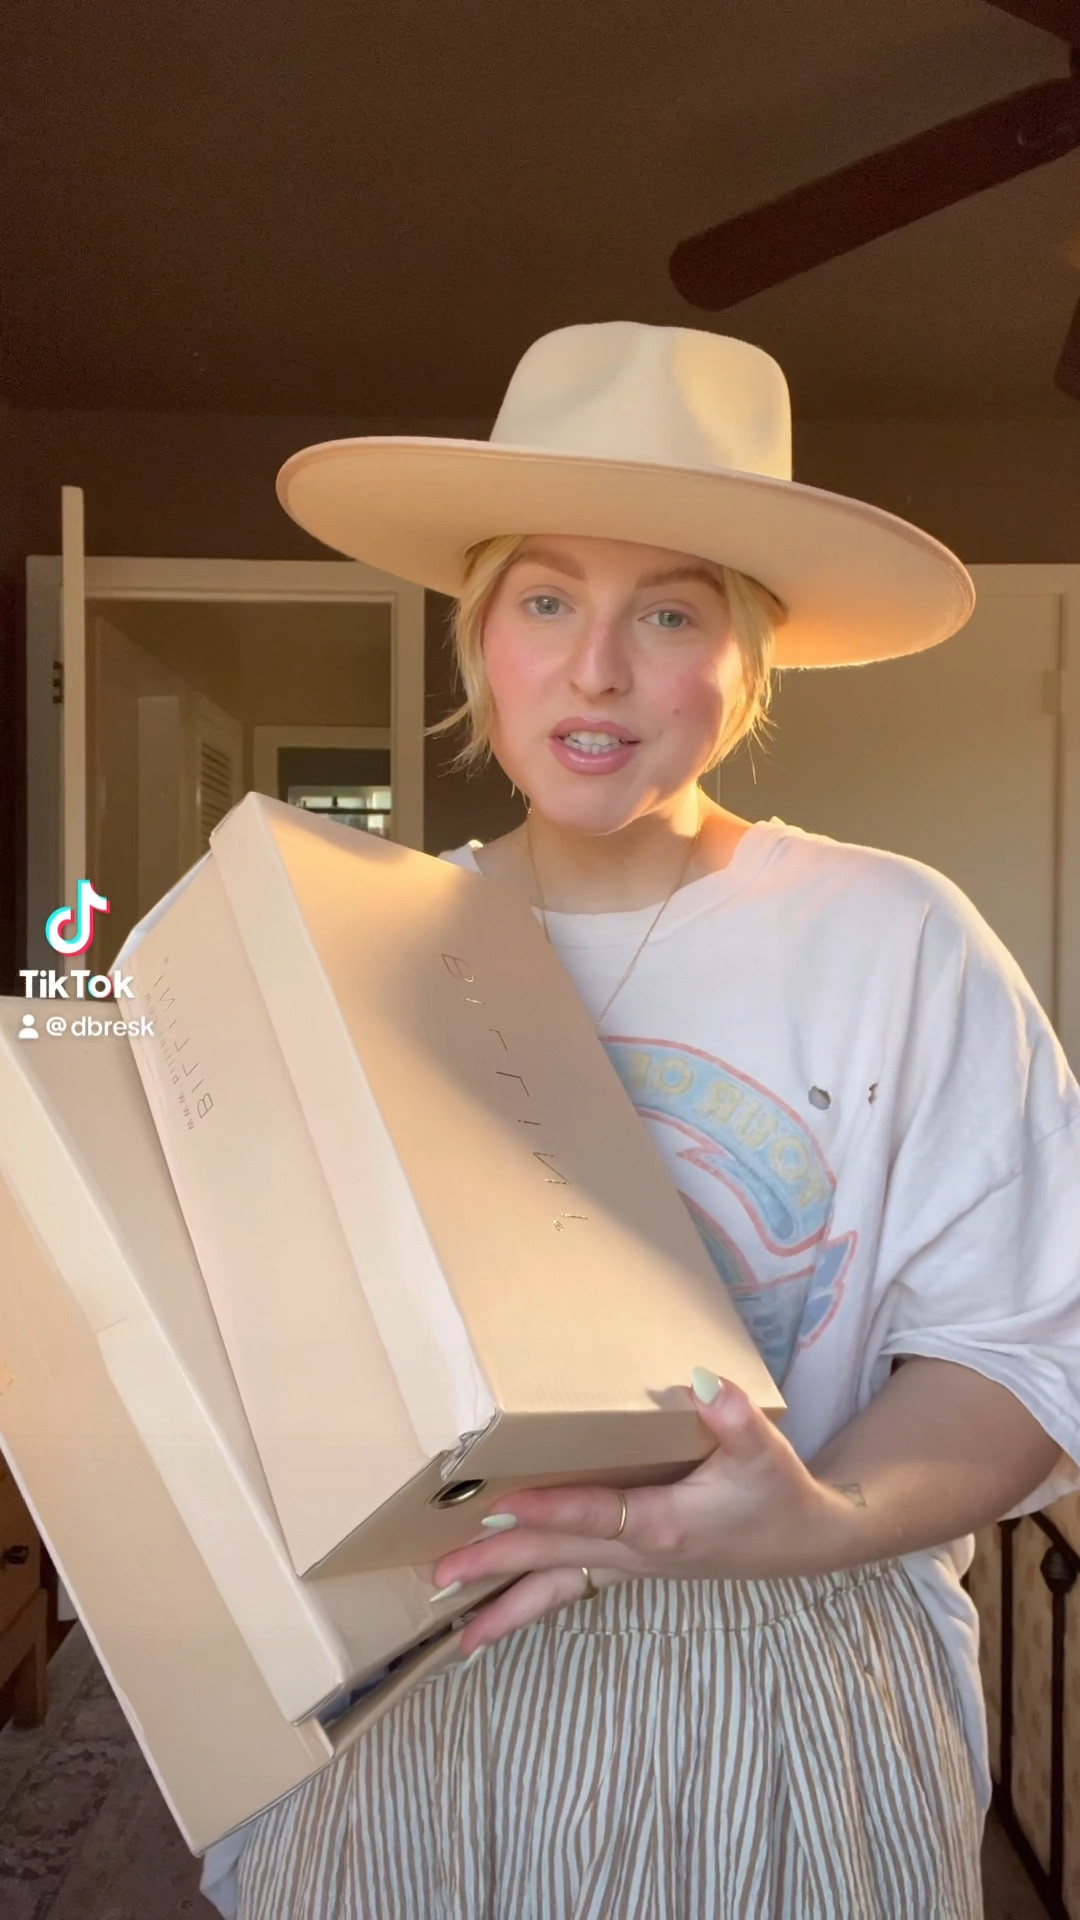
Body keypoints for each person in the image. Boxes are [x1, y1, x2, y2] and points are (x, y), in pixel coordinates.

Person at [206, 322, 1080, 1918]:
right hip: (431, 1678)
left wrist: (821, 1518)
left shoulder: (896, 939)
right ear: (481, 638)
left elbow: (1025, 1347)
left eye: (669, 611)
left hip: (790, 1679)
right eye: (545, 601)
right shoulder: (349, 946)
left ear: (751, 660)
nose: (596, 669)